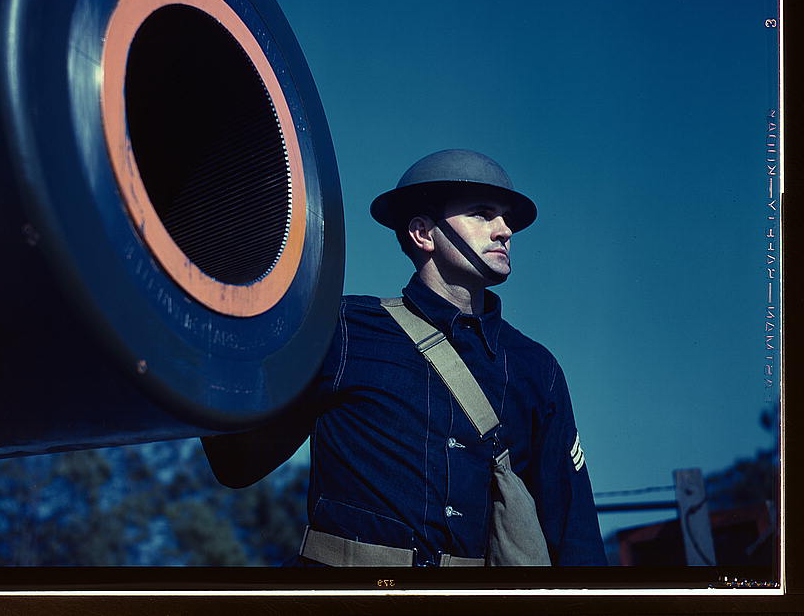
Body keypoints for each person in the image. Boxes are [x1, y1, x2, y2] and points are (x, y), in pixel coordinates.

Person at [202, 149, 606, 566]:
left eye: (506, 218)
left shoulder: (535, 369)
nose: (505, 230)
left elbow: (576, 537)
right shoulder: (343, 330)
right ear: (423, 234)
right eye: (483, 214)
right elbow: (239, 460)